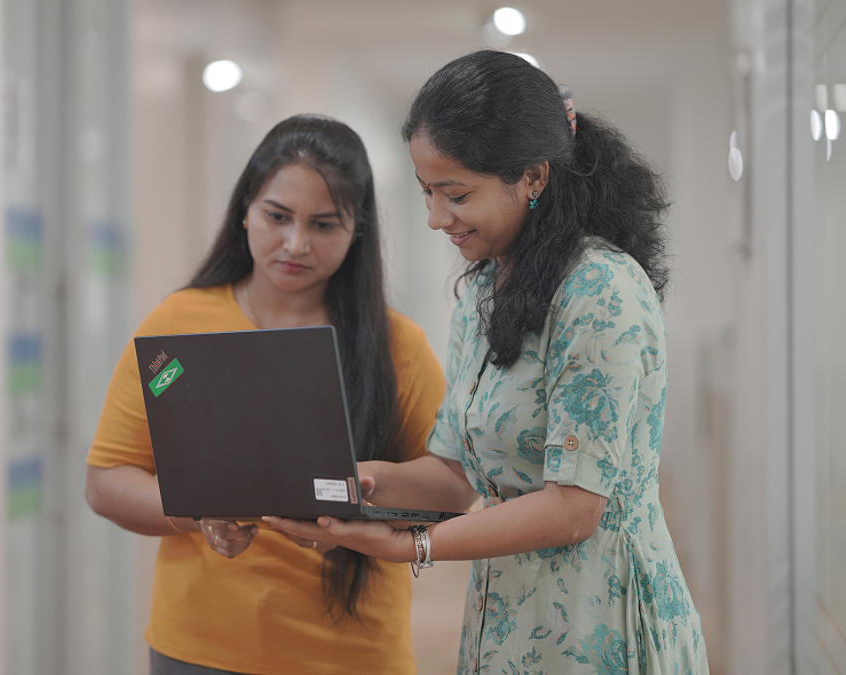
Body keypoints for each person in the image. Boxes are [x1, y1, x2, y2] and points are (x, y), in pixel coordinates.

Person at [265, 51, 710, 673]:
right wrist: (358, 484)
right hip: (506, 620)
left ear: (533, 177)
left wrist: (413, 546)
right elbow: (454, 475)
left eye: (456, 195)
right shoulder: (483, 289)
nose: (435, 218)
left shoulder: (599, 289)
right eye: (427, 192)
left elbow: (573, 508)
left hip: (599, 622)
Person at [85, 114, 447, 675]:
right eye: (277, 216)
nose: (295, 244)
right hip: (199, 647)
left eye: (324, 225)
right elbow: (107, 480)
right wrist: (200, 514)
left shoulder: (397, 345)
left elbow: (454, 484)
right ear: (245, 210)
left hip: (351, 654)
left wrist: (363, 493)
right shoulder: (179, 326)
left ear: (357, 230)